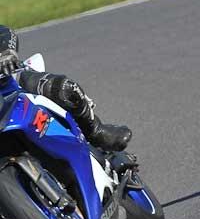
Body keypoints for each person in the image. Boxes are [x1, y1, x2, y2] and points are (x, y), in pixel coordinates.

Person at [0, 25, 132, 152]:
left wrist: (7, 54)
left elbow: (5, 32)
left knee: (63, 88)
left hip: (6, 81)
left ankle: (95, 131)